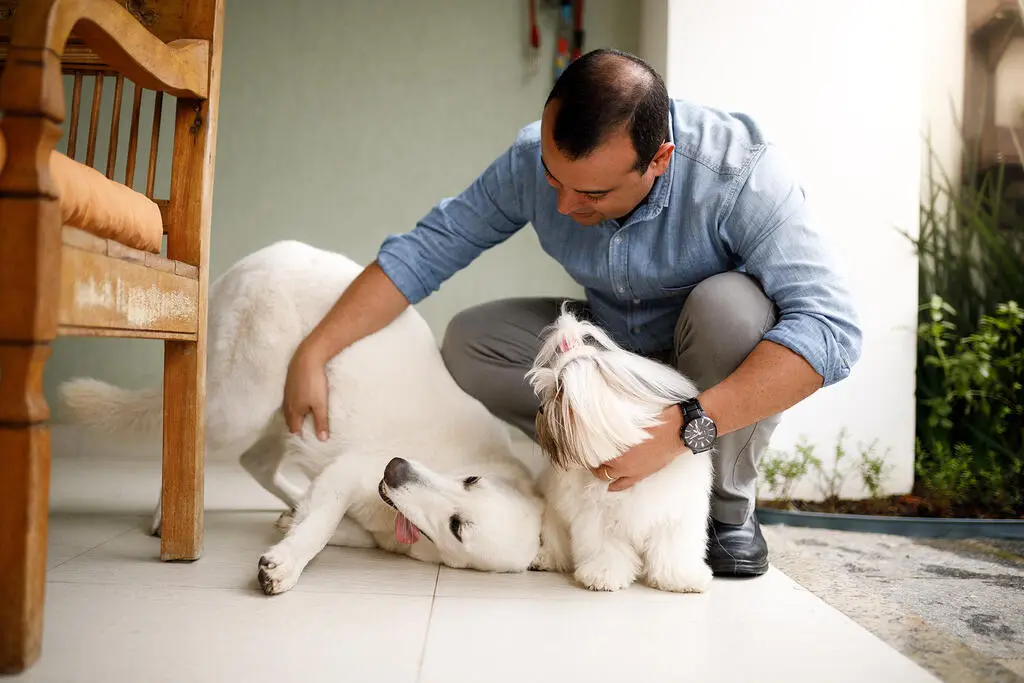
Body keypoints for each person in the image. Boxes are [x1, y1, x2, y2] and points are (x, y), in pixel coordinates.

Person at [281, 48, 862, 578]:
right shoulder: (530, 161)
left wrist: (682, 429)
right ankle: (582, 461)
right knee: (470, 341)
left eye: (592, 194)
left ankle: (726, 510)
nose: (563, 204)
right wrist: (315, 348)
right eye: (554, 178)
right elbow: (428, 248)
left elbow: (831, 330)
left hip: (701, 352)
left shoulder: (739, 175)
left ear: (659, 159)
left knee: (732, 309)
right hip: (609, 346)